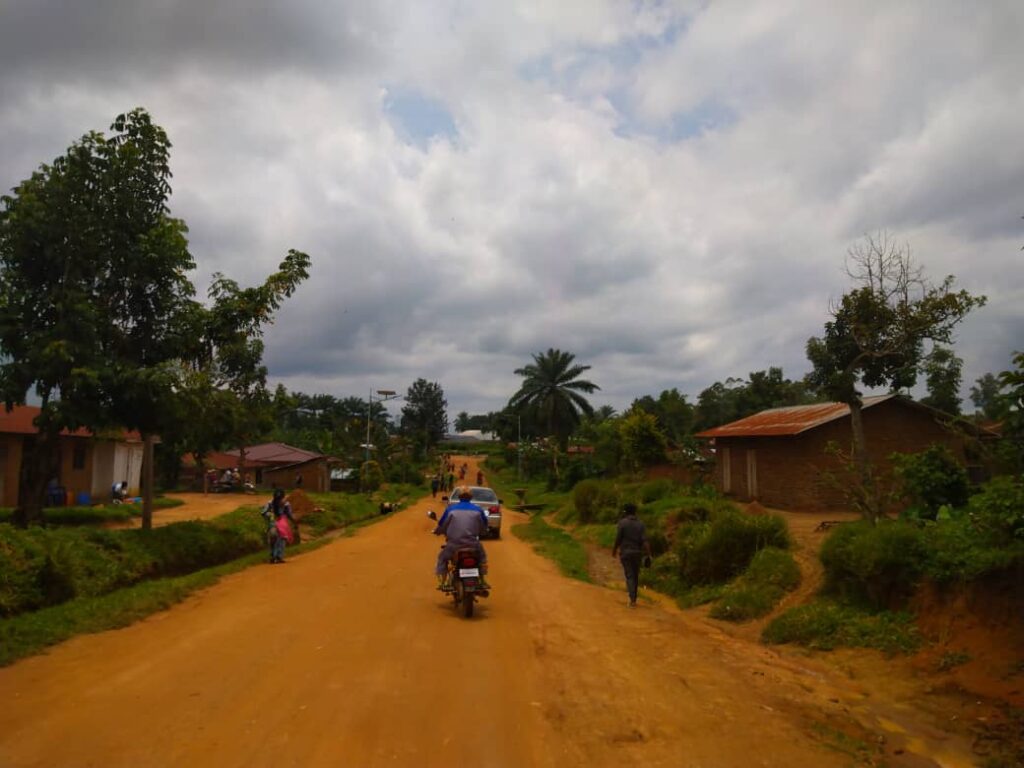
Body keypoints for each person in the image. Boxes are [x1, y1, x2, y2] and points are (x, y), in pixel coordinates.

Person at [433, 486, 489, 590]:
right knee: (482, 558)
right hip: (473, 544)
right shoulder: (478, 510)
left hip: (454, 545)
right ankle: (482, 580)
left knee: (442, 558)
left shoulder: (451, 510)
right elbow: (484, 526)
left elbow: (442, 525)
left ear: (459, 497)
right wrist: (483, 532)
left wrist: (437, 531)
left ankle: (443, 582)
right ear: (471, 497)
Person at [611, 503, 652, 607]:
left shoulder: (622, 523)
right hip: (637, 554)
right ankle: (634, 598)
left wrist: (614, 550)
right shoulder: (641, 524)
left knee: (629, 575)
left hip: (626, 553)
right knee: (635, 575)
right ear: (635, 512)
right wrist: (649, 554)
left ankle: (632, 599)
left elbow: (618, 538)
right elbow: (645, 541)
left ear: (625, 512)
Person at [261, 488, 296, 564]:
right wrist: (270, 515)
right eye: (278, 498)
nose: (279, 500)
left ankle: (279, 556)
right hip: (272, 523)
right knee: (273, 537)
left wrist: (293, 521)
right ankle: (273, 556)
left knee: (282, 539)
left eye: (280, 498)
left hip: (282, 524)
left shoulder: (286, 504)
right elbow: (263, 512)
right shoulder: (270, 503)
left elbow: (289, 514)